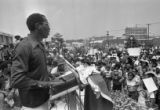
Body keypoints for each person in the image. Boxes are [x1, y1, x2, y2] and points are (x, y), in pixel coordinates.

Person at [11, 13, 50, 110]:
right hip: (33, 105)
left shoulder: (40, 45)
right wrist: (41, 83)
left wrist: (48, 76)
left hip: (44, 99)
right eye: (47, 24)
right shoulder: (24, 47)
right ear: (38, 26)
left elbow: (35, 71)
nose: (49, 28)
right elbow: (17, 79)